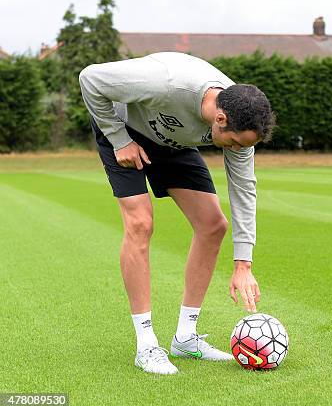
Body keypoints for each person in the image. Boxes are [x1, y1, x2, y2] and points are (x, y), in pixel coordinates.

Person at [79, 52, 275, 375]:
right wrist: (118, 139)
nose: (238, 150)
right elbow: (90, 78)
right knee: (140, 223)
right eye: (235, 144)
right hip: (124, 127)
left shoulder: (242, 127)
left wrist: (243, 264)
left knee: (213, 225)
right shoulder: (166, 82)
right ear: (221, 119)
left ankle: (185, 337)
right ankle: (146, 345)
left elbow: (243, 190)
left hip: (171, 141)